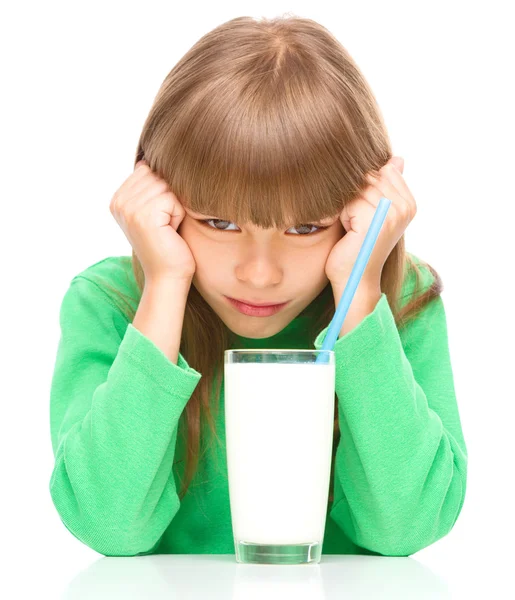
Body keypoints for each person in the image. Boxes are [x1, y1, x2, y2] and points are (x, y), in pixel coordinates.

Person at [48, 15, 467, 558]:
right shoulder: (110, 304)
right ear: (157, 202)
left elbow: (407, 527)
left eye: (305, 228)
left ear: (359, 215)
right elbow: (106, 524)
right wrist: (165, 286)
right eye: (219, 223)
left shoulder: (396, 301)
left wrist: (361, 298)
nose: (261, 274)